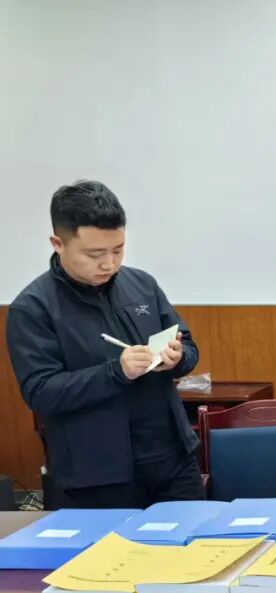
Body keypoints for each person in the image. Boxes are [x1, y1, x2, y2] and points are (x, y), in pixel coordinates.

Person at [6, 181, 202, 508]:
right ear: (58, 244)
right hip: (97, 475)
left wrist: (178, 357)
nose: (109, 264)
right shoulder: (33, 308)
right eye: (94, 254)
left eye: (118, 250)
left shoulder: (142, 284)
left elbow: (189, 345)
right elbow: (40, 392)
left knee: (195, 538)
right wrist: (115, 372)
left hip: (173, 459)